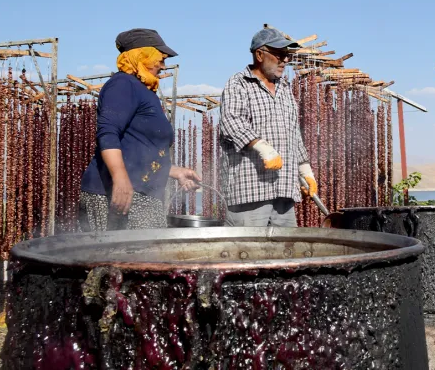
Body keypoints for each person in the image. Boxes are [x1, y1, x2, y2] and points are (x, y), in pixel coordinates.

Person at [79, 28, 200, 231]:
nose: (163, 65)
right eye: (160, 59)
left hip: (143, 194)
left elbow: (138, 149)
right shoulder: (122, 84)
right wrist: (120, 178)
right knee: (118, 259)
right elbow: (108, 133)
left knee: (147, 259)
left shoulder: (145, 91)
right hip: (117, 193)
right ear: (142, 56)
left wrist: (174, 171)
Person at [219, 28, 317, 227]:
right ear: (259, 54)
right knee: (248, 253)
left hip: (285, 191)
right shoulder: (238, 84)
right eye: (279, 55)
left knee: (286, 252)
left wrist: (305, 169)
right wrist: (263, 148)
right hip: (251, 192)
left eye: (287, 56)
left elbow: (293, 132)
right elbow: (230, 121)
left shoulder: (285, 88)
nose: (285, 61)